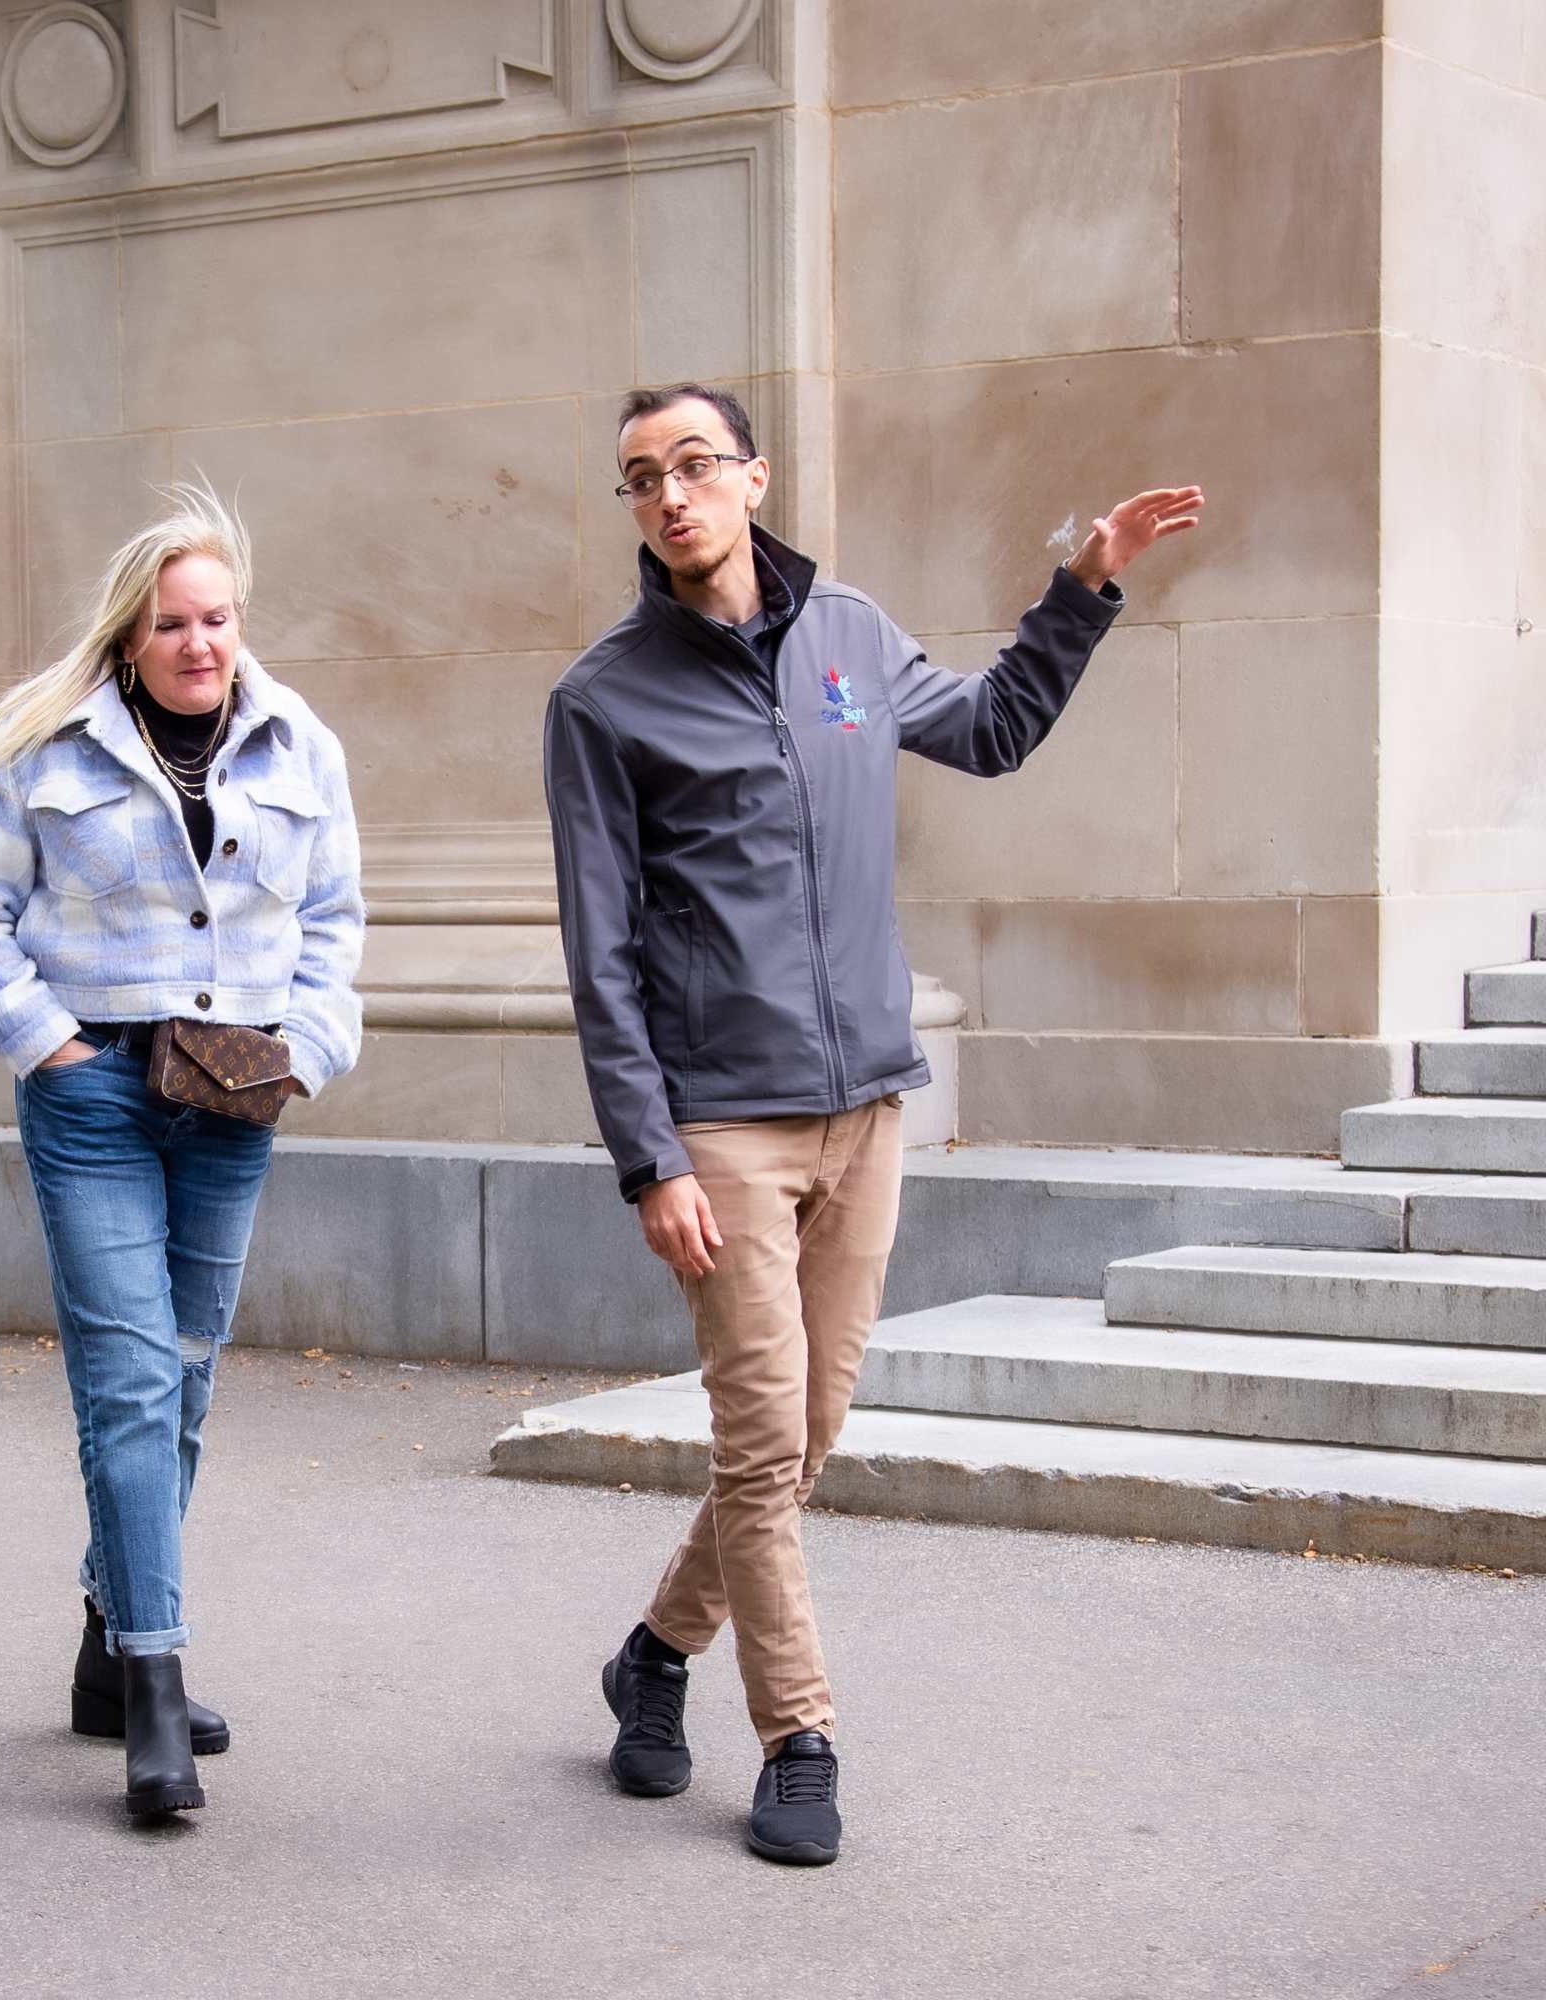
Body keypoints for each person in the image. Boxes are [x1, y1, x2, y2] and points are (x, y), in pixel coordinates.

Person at [545, 382, 1201, 1867]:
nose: (670, 495)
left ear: (755, 478)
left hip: (867, 1111)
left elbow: (990, 729)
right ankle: (800, 1737)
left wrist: (1079, 591)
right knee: (764, 1441)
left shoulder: (847, 635)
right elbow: (601, 952)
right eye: (642, 477)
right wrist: (647, 1156)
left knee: (809, 1428)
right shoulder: (603, 699)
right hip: (724, 1125)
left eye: (696, 465)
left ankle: (654, 1653)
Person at [0, 485, 365, 1821]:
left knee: (183, 1383)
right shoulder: (45, 747)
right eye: (172, 622)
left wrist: (308, 1049)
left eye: (217, 618)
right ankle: (155, 1686)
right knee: (126, 1382)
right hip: (96, 1096)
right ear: (129, 637)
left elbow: (338, 919)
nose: (198, 643)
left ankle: (104, 1653)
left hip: (233, 1098)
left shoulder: (300, 749)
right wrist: (51, 1047)